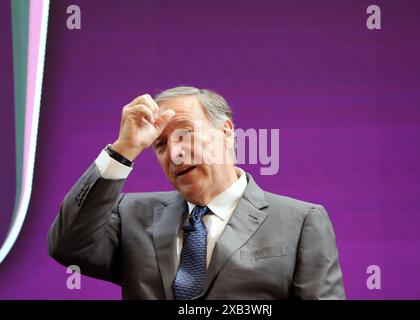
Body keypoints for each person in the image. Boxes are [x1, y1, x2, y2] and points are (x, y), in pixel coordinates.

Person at [48, 86, 345, 299]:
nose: (174, 153)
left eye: (185, 134)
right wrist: (123, 150)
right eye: (160, 145)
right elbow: (67, 246)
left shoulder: (301, 222)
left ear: (226, 132)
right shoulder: (130, 215)